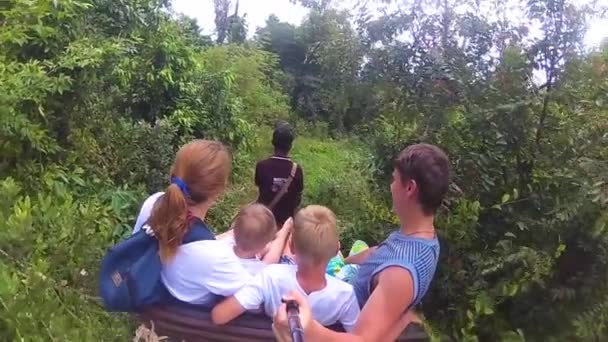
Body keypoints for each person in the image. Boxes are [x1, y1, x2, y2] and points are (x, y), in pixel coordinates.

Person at [272, 144, 450, 342]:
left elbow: (362, 339)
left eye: (394, 179)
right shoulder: (422, 237)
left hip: (336, 319)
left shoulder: (400, 273)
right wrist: (341, 262)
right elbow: (377, 252)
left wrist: (307, 328)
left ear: (409, 188)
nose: (391, 186)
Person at [211, 205, 360, 332]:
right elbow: (359, 337)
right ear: (336, 251)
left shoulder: (271, 276)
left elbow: (219, 316)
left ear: (292, 246)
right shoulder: (345, 296)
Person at [255, 121, 304, 226]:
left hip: (263, 222)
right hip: (285, 225)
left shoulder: (261, 166)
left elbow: (260, 188)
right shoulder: (297, 170)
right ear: (290, 145)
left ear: (273, 142)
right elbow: (298, 197)